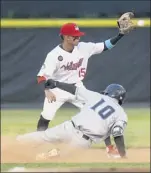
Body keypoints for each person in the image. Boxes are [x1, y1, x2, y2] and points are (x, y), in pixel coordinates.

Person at [36, 12, 134, 155]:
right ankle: (39, 145)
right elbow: (41, 76)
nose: (79, 37)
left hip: (77, 88)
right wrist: (47, 90)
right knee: (45, 117)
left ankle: (110, 148)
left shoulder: (84, 47)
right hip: (57, 89)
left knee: (100, 113)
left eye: (79, 35)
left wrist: (120, 35)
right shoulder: (54, 55)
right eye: (75, 35)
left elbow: (105, 46)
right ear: (66, 37)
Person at [17, 82, 128, 159]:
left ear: (108, 92)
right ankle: (49, 155)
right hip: (83, 141)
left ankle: (15, 142)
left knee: (42, 136)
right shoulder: (121, 114)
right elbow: (117, 133)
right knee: (60, 157)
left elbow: (75, 90)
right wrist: (122, 155)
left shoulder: (97, 96)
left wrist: (56, 83)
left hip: (69, 127)